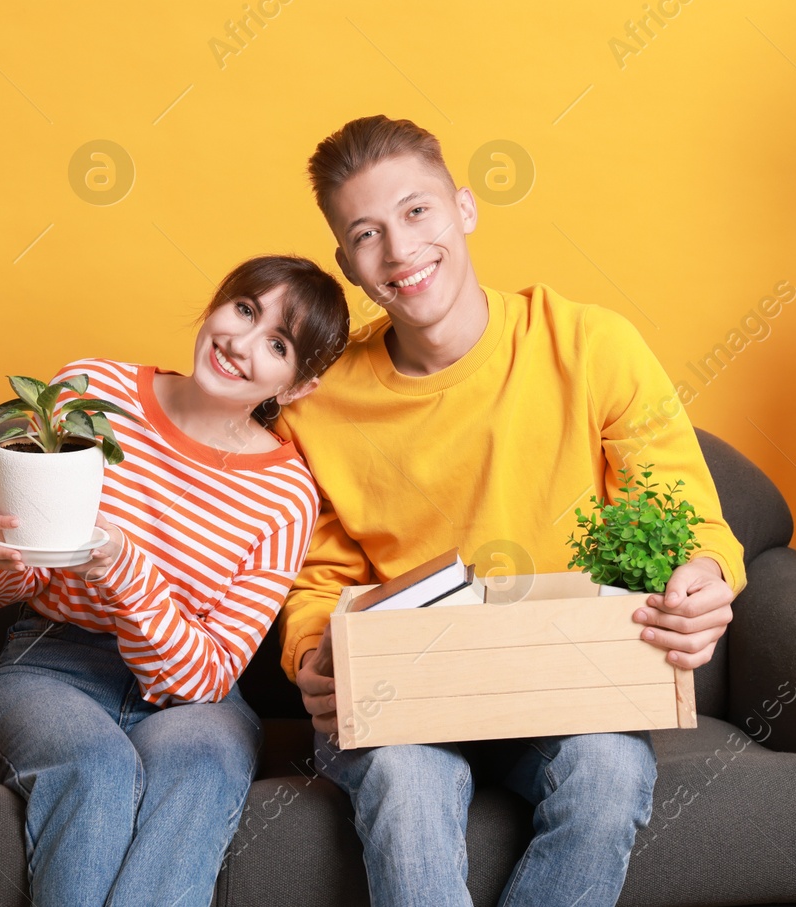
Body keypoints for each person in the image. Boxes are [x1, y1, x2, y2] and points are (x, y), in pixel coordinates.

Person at [273, 116, 747, 907]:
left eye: (418, 212)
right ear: (346, 263)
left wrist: (704, 575)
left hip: (567, 684)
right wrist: (312, 655)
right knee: (401, 779)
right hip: (406, 698)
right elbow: (318, 578)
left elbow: (688, 518)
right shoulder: (321, 404)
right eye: (367, 233)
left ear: (464, 208)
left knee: (610, 771)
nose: (399, 251)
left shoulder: (591, 345)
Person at [0, 254, 350, 907]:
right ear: (217, 302)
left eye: (277, 344)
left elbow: (205, 676)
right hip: (50, 662)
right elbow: (16, 581)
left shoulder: (286, 496)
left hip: (196, 698)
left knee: (202, 766)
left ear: (296, 386)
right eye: (244, 310)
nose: (240, 342)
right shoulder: (91, 389)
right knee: (96, 768)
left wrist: (127, 570)